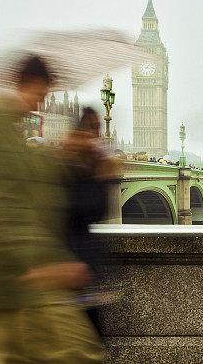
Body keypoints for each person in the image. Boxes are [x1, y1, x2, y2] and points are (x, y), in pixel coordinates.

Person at [0, 55, 105, 363]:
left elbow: (41, 180)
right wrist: (46, 263)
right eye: (41, 94)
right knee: (78, 352)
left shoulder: (15, 131)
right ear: (27, 84)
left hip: (26, 280)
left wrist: (79, 157)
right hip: (10, 278)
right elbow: (0, 208)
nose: (40, 104)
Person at [62, 107, 119, 332]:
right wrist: (100, 177)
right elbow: (74, 209)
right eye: (91, 128)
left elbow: (100, 212)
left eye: (96, 129)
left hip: (84, 265)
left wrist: (102, 174)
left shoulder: (90, 162)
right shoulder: (66, 164)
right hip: (67, 264)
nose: (95, 135)